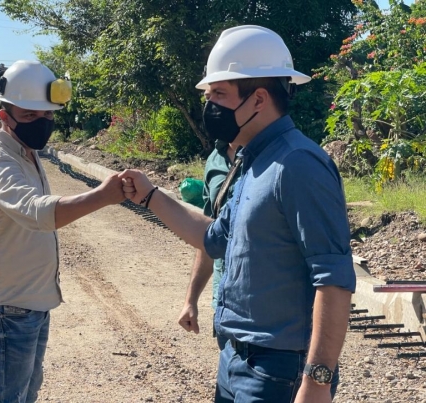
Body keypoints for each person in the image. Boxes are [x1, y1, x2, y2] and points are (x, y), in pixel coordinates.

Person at [119, 25, 356, 403]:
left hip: (278, 370)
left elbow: (334, 279)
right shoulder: (253, 161)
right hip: (236, 358)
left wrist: (317, 382)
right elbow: (215, 239)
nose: (208, 105)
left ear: (259, 99)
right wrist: (151, 196)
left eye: (218, 94)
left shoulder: (298, 165)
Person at [0, 60, 125, 403]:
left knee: (25, 395)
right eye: (30, 116)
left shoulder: (25, 151)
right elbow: (38, 213)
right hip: (9, 306)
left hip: (31, 302)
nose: (42, 124)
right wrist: (103, 195)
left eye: (48, 116)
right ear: (4, 114)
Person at [177, 115, 239, 350]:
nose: (213, 106)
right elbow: (210, 235)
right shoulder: (215, 159)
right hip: (223, 304)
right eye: (208, 96)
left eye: (221, 94)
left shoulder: (279, 157)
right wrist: (191, 299)